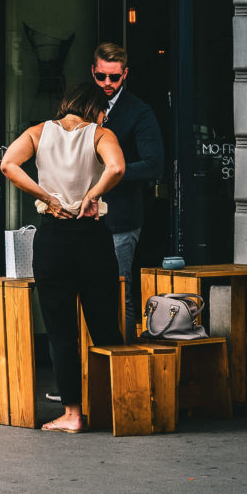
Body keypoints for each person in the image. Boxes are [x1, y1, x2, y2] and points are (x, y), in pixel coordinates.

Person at [0, 83, 128, 433]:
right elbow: (116, 168)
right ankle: (115, 407)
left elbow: (8, 164)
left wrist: (46, 195)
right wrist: (93, 195)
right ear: (96, 109)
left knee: (61, 331)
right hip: (93, 236)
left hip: (53, 237)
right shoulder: (100, 134)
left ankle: (72, 414)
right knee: (104, 325)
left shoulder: (38, 132)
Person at [90, 42, 164, 337]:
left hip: (120, 216)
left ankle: (124, 365)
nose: (107, 83)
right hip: (84, 215)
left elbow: (153, 165)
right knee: (88, 288)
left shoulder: (139, 112)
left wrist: (112, 172)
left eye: (114, 77)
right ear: (92, 71)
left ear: (125, 74)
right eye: (101, 77)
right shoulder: (83, 105)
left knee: (119, 288)